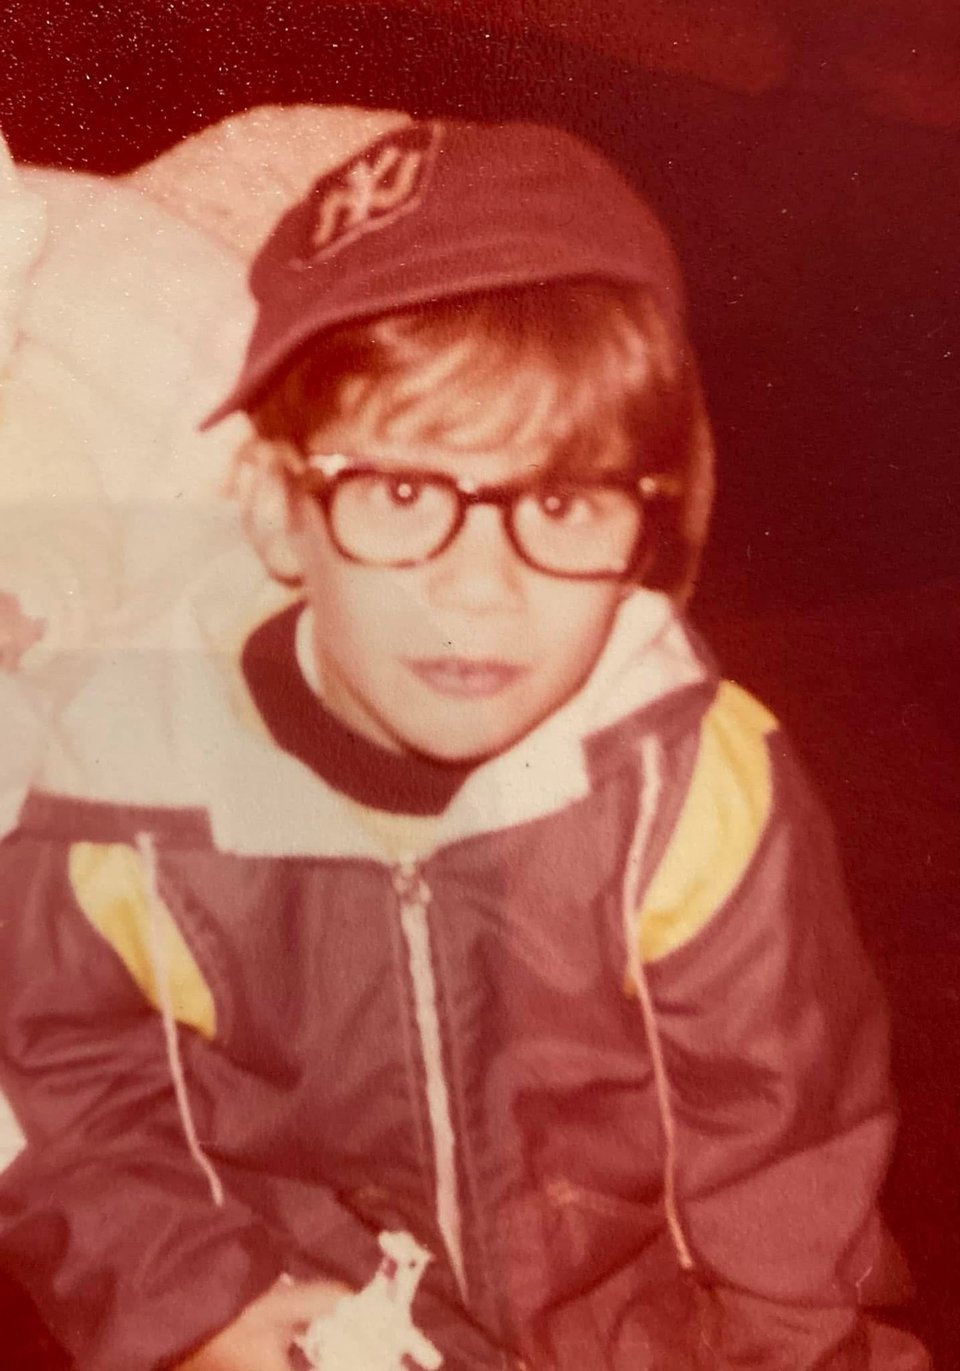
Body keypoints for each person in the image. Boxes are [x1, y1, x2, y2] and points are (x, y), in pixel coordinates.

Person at [0, 116, 927, 1371]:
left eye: (562, 501)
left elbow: (788, 1143)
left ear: (649, 530)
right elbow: (67, 1091)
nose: (481, 591)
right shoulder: (126, 787)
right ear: (275, 509)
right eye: (401, 492)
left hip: (647, 1324)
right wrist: (203, 1302)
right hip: (309, 1313)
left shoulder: (684, 785)